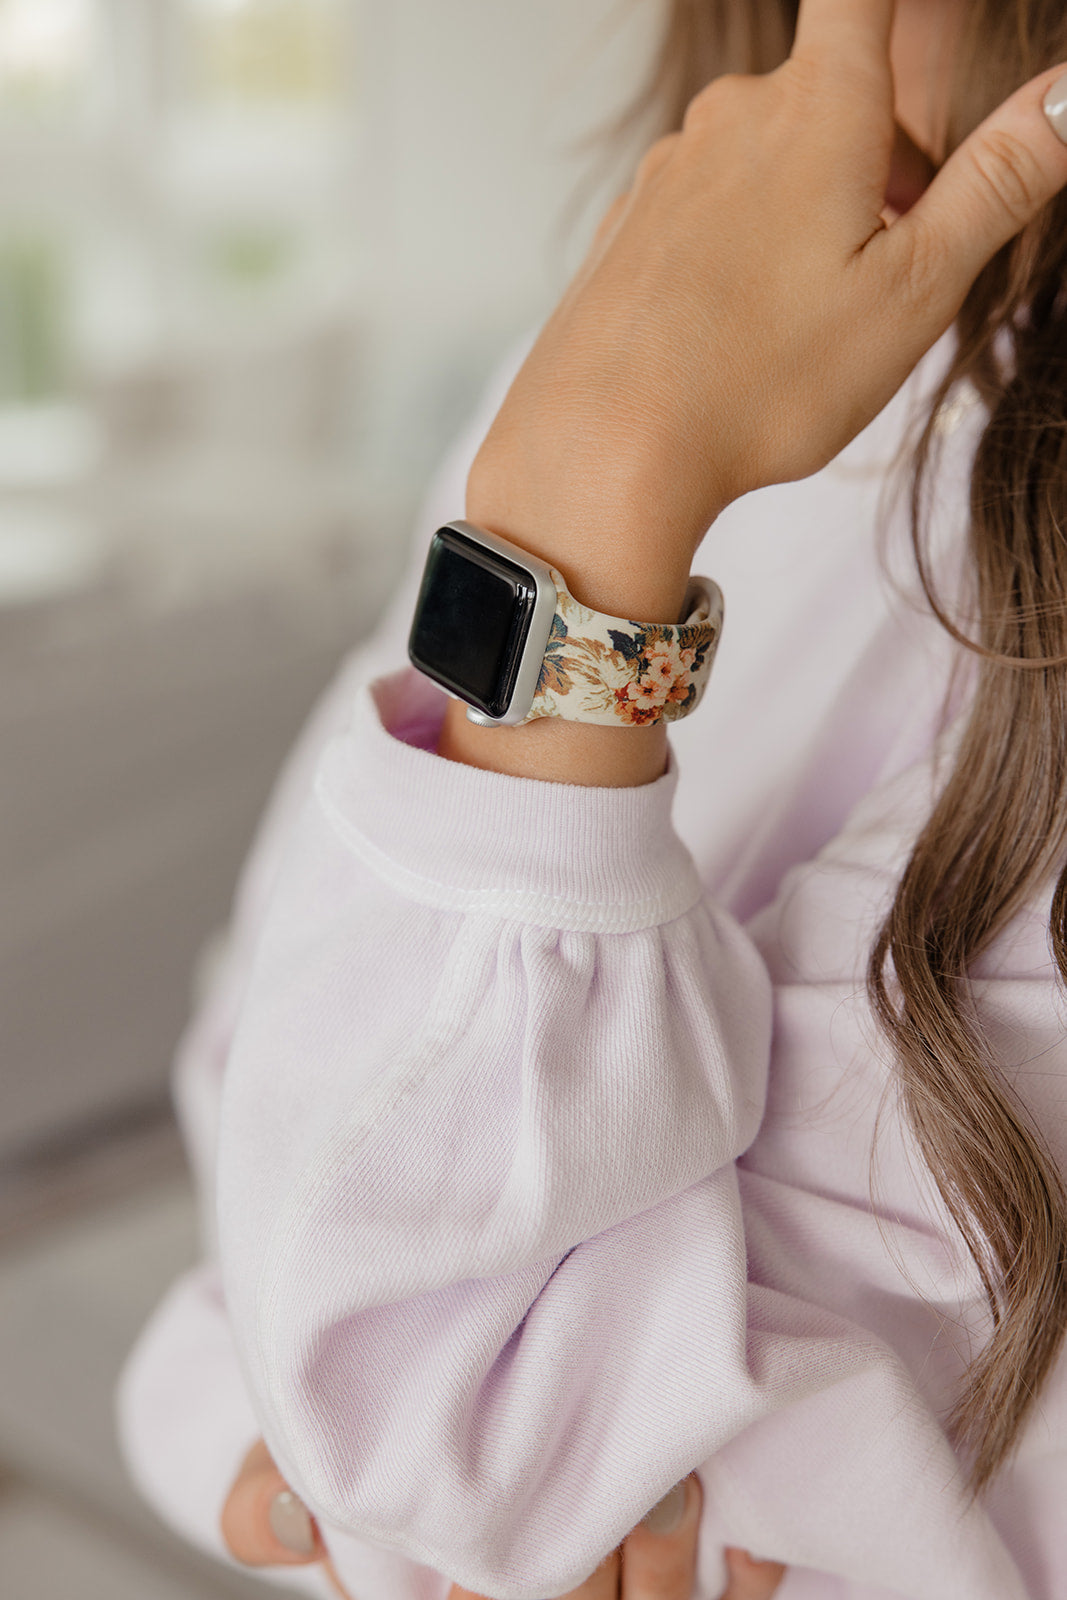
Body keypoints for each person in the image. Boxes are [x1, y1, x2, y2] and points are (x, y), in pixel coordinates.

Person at [116, 1, 1067, 1596]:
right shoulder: (620, 372)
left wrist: (594, 491)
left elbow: (447, 1422)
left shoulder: (625, 439)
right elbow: (249, 1051)